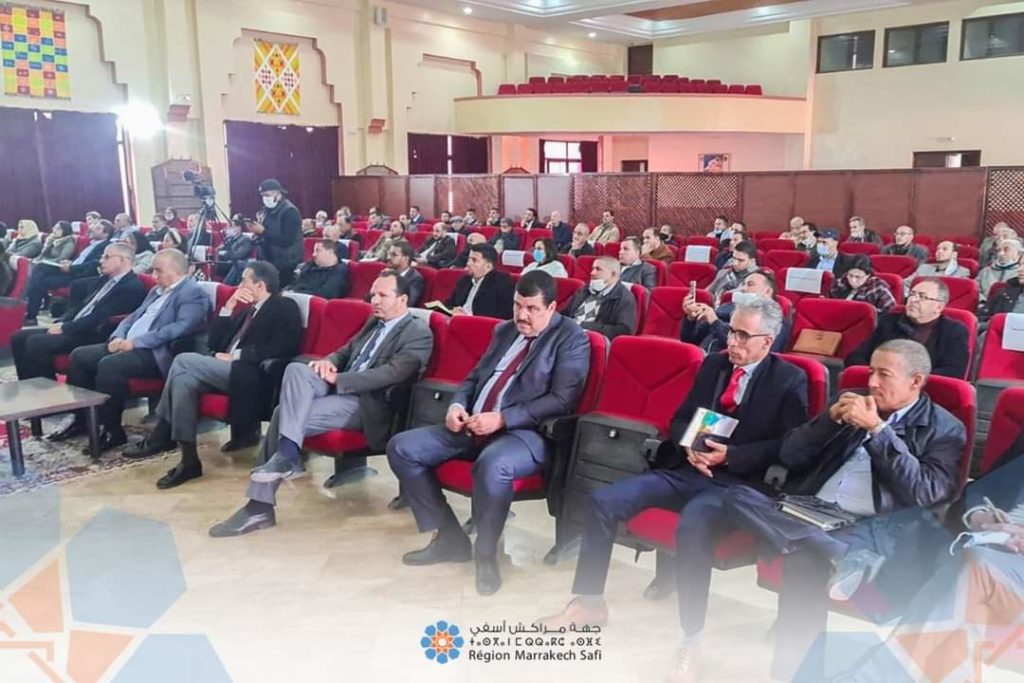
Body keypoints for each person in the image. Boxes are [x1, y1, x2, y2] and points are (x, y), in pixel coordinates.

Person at [538, 300, 809, 676]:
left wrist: (732, 456)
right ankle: (589, 602)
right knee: (602, 501)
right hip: (689, 469)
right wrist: (689, 445)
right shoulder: (714, 365)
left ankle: (691, 640)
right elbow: (681, 418)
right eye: (731, 331)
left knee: (692, 525)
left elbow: (789, 447)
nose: (732, 341)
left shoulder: (789, 379)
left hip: (736, 484)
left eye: (743, 336)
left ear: (768, 340)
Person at [717, 340, 965, 682]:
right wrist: (829, 421)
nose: (872, 382)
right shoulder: (850, 400)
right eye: (871, 371)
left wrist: (878, 430)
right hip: (813, 509)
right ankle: (837, 551)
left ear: (916, 381)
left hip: (870, 525)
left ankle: (791, 674)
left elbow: (925, 494)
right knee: (734, 497)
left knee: (802, 563)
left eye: (884, 375)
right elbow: (789, 456)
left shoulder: (945, 428)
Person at [388, 270, 590, 595]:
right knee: (402, 448)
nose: (522, 315)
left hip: (525, 434)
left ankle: (486, 553)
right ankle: (449, 537)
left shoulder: (571, 338)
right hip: (474, 424)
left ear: (552, 308)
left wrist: (503, 419)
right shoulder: (505, 330)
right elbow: (473, 377)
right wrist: (457, 405)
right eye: (518, 306)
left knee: (494, 465)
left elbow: (561, 399)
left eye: (532, 309)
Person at [210, 270, 434, 536]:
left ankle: (259, 506)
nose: (374, 300)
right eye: (373, 294)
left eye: (382, 295)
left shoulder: (417, 332)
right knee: (297, 369)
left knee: (283, 414)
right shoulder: (374, 322)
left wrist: (339, 379)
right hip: (338, 387)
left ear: (403, 300)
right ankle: (287, 456)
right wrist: (327, 362)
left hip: (367, 402)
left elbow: (393, 374)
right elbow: (346, 351)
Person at [123, 262, 303, 488]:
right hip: (224, 368)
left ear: (260, 285)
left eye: (244, 280)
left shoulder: (284, 306)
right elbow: (215, 342)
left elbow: (285, 346)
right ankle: (189, 460)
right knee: (183, 380)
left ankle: (161, 435)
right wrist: (229, 307)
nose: (239, 285)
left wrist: (237, 355)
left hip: (251, 373)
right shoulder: (248, 309)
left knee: (183, 361)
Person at [50, 250, 211, 453]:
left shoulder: (192, 293)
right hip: (127, 343)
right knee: (80, 356)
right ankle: (81, 418)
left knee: (110, 366)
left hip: (155, 352)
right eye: (153, 270)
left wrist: (136, 343)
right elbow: (133, 317)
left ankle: (112, 430)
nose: (153, 276)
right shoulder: (157, 290)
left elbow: (181, 327)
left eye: (159, 271)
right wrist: (118, 337)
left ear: (177, 271)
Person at [13, 243, 146, 383]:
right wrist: (63, 321)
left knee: (36, 342)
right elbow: (82, 306)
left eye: (107, 257)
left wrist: (65, 328)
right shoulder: (105, 279)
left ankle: (45, 390)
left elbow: (98, 317)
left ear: (123, 260)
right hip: (77, 325)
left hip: (93, 332)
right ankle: (27, 385)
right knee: (18, 337)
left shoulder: (130, 287)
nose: (101, 261)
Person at [846, 277, 969, 378]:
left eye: (922, 297)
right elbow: (856, 357)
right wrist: (879, 374)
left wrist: (906, 379)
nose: (913, 300)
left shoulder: (954, 332)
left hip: (924, 391)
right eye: (911, 294)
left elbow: (953, 372)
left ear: (939, 307)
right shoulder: (888, 321)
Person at [23, 218, 114, 324]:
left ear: (106, 234)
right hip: (72, 267)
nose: (92, 229)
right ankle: (30, 311)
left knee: (41, 280)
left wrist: (71, 268)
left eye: (98, 229)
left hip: (79, 273)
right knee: (40, 268)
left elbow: (94, 263)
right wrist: (70, 262)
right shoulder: (92, 244)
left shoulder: (106, 246)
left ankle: (29, 311)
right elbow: (81, 259)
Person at [682, 270, 790, 352]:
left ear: (767, 292)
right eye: (743, 284)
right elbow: (690, 340)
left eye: (750, 284)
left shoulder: (776, 321)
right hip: (702, 359)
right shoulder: (727, 307)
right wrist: (690, 319)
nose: (743, 289)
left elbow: (757, 353)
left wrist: (715, 322)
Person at [560, 256, 636, 339]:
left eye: (598, 269)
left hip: (593, 339)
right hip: (569, 333)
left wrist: (582, 325)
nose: (592, 273)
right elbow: (564, 313)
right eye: (593, 268)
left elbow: (622, 330)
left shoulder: (624, 298)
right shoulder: (584, 290)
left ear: (613, 275)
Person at [248, 178, 303, 287]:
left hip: (285, 263)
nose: (265, 198)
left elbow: (287, 240)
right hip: (267, 260)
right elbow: (267, 231)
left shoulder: (289, 211)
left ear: (277, 193)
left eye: (267, 195)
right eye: (263, 196)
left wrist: (262, 232)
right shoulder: (266, 210)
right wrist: (256, 233)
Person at [445, 244, 514, 319]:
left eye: (474, 260)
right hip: (456, 320)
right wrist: (452, 309)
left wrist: (468, 317)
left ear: (488, 266)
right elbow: (450, 303)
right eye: (469, 259)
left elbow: (503, 315)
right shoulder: (464, 280)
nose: (468, 263)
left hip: (479, 323)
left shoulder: (502, 282)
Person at [828, 254, 896, 313]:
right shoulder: (841, 282)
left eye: (858, 277)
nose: (853, 280)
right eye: (850, 275)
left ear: (868, 275)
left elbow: (890, 310)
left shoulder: (878, 287)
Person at [217, 215, 256, 285]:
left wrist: (225, 254)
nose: (229, 229)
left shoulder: (245, 239)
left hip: (234, 264)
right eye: (229, 227)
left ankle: (224, 285)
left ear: (239, 228)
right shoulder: (229, 239)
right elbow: (218, 250)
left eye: (232, 226)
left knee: (238, 263)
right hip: (223, 262)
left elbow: (238, 255)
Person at [385, 241, 425, 307]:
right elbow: (370, 296)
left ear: (406, 259)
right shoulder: (387, 273)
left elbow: (407, 303)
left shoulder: (415, 279)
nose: (388, 257)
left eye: (394, 255)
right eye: (389, 254)